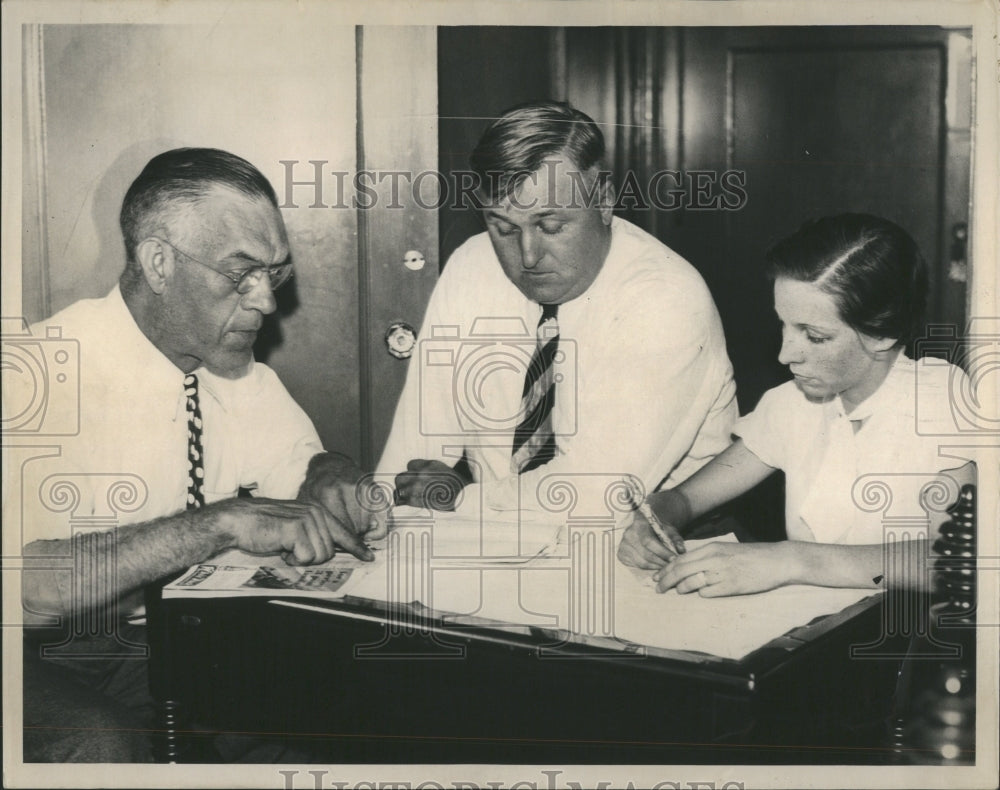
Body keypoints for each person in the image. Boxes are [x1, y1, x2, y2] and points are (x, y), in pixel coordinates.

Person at [6, 148, 380, 762]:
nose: (265, 302)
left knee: (327, 710)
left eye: (275, 274)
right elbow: (28, 582)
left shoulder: (233, 373)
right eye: (242, 275)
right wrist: (217, 524)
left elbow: (303, 467)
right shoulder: (38, 373)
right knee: (99, 746)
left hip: (159, 644)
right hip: (26, 655)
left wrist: (330, 473)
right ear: (159, 262)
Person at [377, 101, 737, 519]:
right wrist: (382, 513)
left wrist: (461, 500)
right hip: (499, 529)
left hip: (656, 547)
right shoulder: (472, 265)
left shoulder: (666, 298)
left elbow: (595, 495)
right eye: (503, 227)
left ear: (603, 200)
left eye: (551, 226)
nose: (528, 256)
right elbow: (415, 448)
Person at [618, 213, 977, 596]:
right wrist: (652, 518)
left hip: (908, 640)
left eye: (814, 336)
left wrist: (791, 560)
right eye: (784, 326)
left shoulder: (940, 401)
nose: (786, 354)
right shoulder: (792, 405)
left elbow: (959, 561)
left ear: (883, 333)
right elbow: (685, 498)